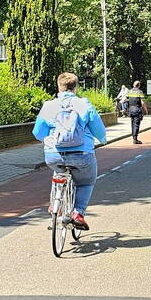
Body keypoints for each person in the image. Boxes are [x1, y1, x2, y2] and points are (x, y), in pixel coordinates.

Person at [32, 72, 108, 231]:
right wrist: (103, 140)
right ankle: (78, 213)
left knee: (57, 171)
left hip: (54, 154)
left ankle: (55, 206)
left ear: (58, 87)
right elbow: (98, 130)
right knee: (86, 181)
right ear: (76, 88)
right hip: (82, 154)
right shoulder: (84, 104)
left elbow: (38, 132)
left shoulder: (48, 106)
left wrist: (48, 140)